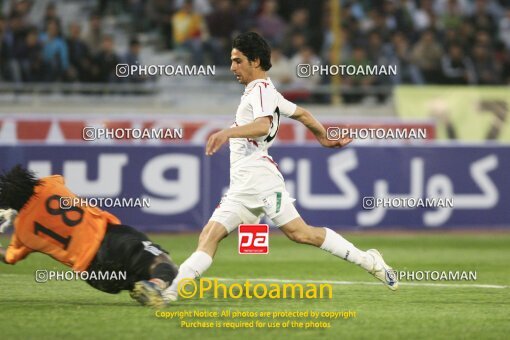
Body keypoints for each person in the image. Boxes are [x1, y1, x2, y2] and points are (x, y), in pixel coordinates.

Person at [163, 32, 398, 303]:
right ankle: (171, 293)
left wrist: (227, 132)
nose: (232, 67)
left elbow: (263, 125)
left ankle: (369, 261)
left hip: (260, 178)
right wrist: (322, 136)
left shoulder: (262, 90)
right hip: (243, 183)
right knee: (209, 235)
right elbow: (302, 114)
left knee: (301, 233)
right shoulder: (267, 91)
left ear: (255, 61)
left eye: (238, 61)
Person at [0, 165, 177, 307]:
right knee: (162, 262)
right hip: (111, 241)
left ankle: (148, 287)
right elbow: (55, 178)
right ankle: (156, 285)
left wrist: (18, 214)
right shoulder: (50, 185)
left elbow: (9, 257)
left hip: (95, 276)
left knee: (138, 279)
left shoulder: (22, 233)